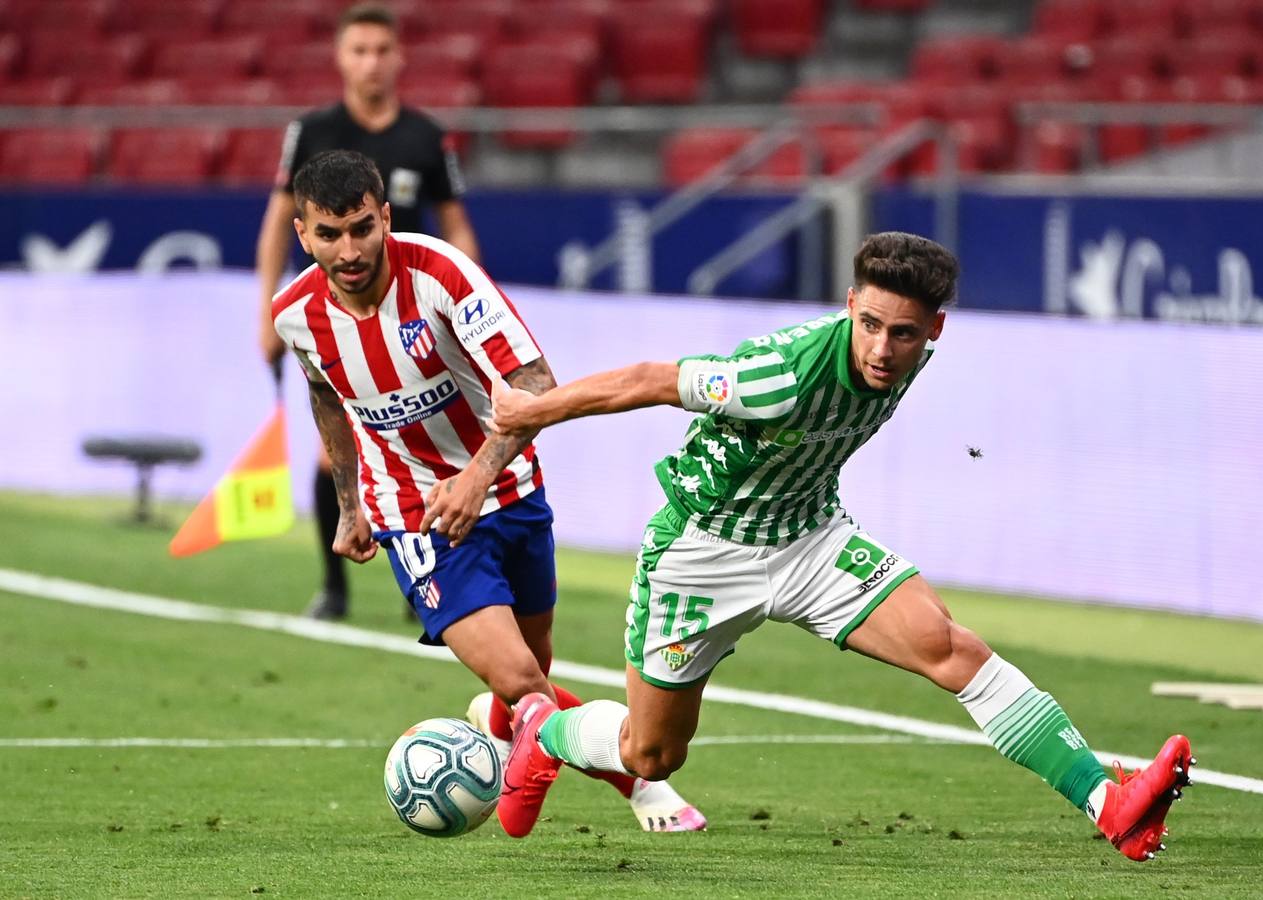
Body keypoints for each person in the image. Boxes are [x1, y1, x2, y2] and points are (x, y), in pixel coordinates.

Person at [488, 231, 1195, 860]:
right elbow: (651, 380)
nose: (884, 348)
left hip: (809, 537)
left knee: (949, 645)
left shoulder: (909, 357)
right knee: (652, 755)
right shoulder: (781, 376)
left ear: (935, 329)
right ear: (849, 303)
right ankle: (546, 732)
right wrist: (532, 410)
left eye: (906, 334)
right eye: (870, 325)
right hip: (702, 555)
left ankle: (1111, 806)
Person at [270, 149, 704, 833]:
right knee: (527, 691)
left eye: (361, 227)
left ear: (385, 216)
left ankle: (499, 721)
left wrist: (476, 475)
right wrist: (353, 504)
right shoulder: (294, 315)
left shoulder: (442, 276)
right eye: (329, 234)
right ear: (303, 233)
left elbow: (535, 383)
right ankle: (637, 781)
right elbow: (326, 392)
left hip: (511, 491)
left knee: (527, 674)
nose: (348, 249)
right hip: (416, 516)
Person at [256, 1, 480, 621]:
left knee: (432, 444)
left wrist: (470, 305)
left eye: (382, 51)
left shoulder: (426, 138)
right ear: (340, 58)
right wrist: (265, 314)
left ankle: (430, 583)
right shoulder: (312, 133)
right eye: (359, 50)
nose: (371, 63)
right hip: (336, 315)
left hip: (415, 317)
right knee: (335, 452)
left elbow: (457, 227)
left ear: (399, 58)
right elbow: (278, 224)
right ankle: (335, 586)